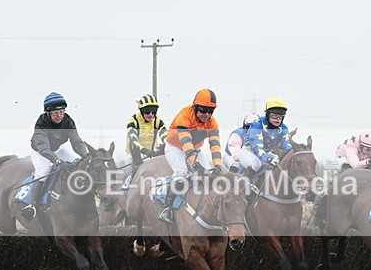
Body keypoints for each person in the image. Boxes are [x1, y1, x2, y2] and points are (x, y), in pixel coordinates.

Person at [159, 88, 224, 223]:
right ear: (195, 107)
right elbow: (186, 143)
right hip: (175, 147)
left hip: (193, 149)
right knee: (181, 173)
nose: (206, 114)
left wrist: (218, 166)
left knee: (209, 175)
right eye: (203, 110)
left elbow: (215, 146)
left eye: (210, 111)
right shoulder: (184, 115)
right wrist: (195, 164)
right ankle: (168, 209)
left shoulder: (212, 123)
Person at [22, 92, 88, 220]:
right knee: (43, 170)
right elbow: (44, 147)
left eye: (62, 112)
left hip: (57, 149)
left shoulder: (68, 121)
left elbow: (76, 141)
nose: (59, 116)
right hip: (40, 151)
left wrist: (85, 155)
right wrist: (57, 160)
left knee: (78, 163)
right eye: (55, 113)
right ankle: (32, 206)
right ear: (48, 113)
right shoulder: (41, 123)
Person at [238, 98, 292, 178]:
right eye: (274, 116)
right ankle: (243, 186)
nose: (278, 119)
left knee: (283, 162)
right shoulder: (257, 124)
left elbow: (287, 146)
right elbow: (257, 147)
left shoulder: (284, 128)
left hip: (266, 152)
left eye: (280, 117)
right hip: (249, 152)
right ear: (267, 115)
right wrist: (268, 159)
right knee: (255, 165)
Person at [124, 94, 167, 170]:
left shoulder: (158, 121)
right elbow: (133, 140)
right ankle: (128, 180)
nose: (150, 114)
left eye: (154, 111)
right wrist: (145, 150)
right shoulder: (133, 121)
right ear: (141, 110)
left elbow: (165, 136)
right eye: (147, 111)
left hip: (150, 156)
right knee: (129, 160)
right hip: (134, 156)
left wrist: (167, 146)